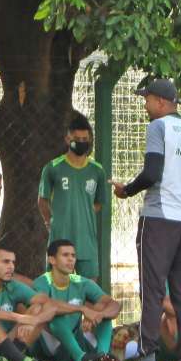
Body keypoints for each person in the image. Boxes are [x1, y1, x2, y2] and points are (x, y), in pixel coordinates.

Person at [112, 78, 181, 361]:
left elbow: (152, 173)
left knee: (152, 289)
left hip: (158, 219)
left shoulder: (158, 128)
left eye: (146, 100)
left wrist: (127, 190)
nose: (145, 106)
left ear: (159, 101)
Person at [32, 240, 121, 361]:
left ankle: (103, 358)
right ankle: (81, 359)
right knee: (55, 315)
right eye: (65, 255)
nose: (70, 259)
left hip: (76, 339)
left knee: (105, 317)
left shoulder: (80, 281)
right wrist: (83, 309)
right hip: (52, 346)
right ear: (52, 260)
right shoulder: (42, 281)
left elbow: (113, 305)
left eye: (73, 256)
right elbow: (47, 304)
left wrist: (98, 314)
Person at [38, 115, 107, 280]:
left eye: (85, 138)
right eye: (77, 138)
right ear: (68, 139)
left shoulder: (98, 171)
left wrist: (83, 210)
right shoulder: (53, 168)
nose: (81, 142)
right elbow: (42, 201)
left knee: (89, 291)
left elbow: (99, 203)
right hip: (59, 241)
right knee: (55, 291)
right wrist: (50, 222)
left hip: (86, 243)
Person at [0, 245, 55, 361]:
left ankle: (9, 358)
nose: (11, 266)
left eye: (13, 262)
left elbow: (49, 304)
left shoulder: (13, 285)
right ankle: (21, 360)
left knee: (37, 309)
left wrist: (35, 320)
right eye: (5, 262)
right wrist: (20, 317)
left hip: (5, 349)